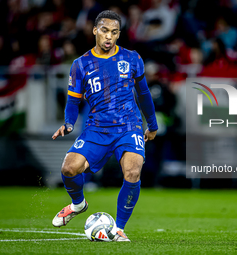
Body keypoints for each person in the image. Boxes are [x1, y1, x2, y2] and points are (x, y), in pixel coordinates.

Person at [51, 10, 158, 242]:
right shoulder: (81, 64)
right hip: (97, 128)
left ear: (119, 34)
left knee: (133, 170)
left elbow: (144, 94)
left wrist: (152, 124)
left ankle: (118, 228)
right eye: (105, 31)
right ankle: (78, 204)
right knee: (69, 169)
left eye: (115, 32)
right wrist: (69, 123)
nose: (109, 37)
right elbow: (73, 100)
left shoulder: (132, 58)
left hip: (129, 126)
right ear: (95, 30)